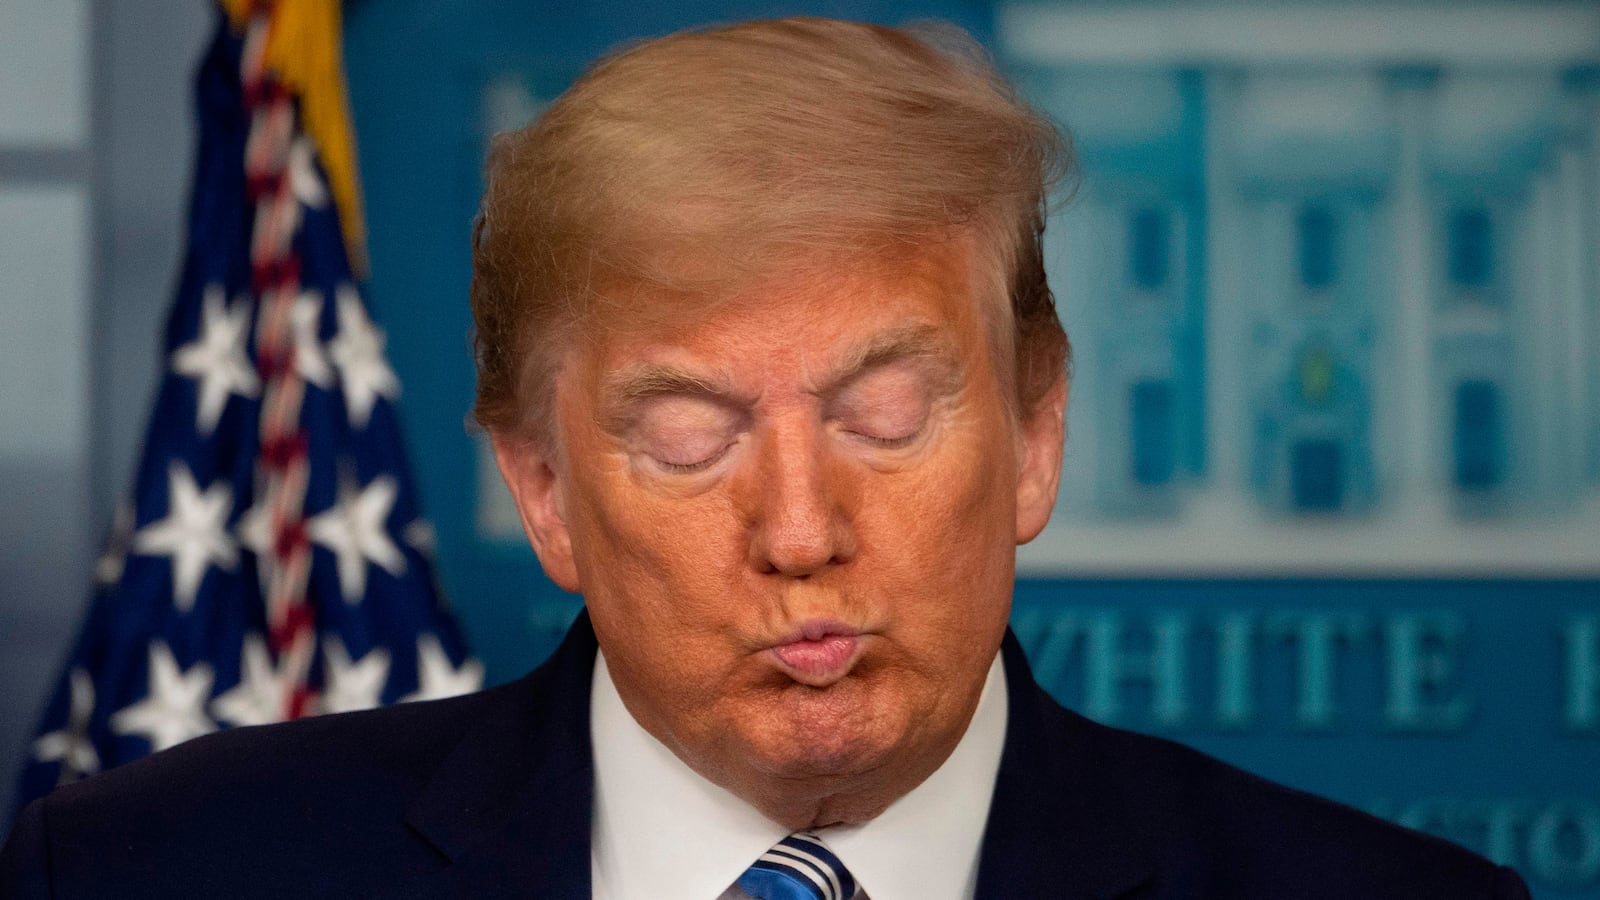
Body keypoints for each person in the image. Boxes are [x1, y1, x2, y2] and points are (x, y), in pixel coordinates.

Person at [1, 17, 1529, 899]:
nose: (800, 530)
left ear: (1036, 436)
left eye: (883, 416)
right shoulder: (152, 878)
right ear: (544, 494)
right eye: (688, 436)